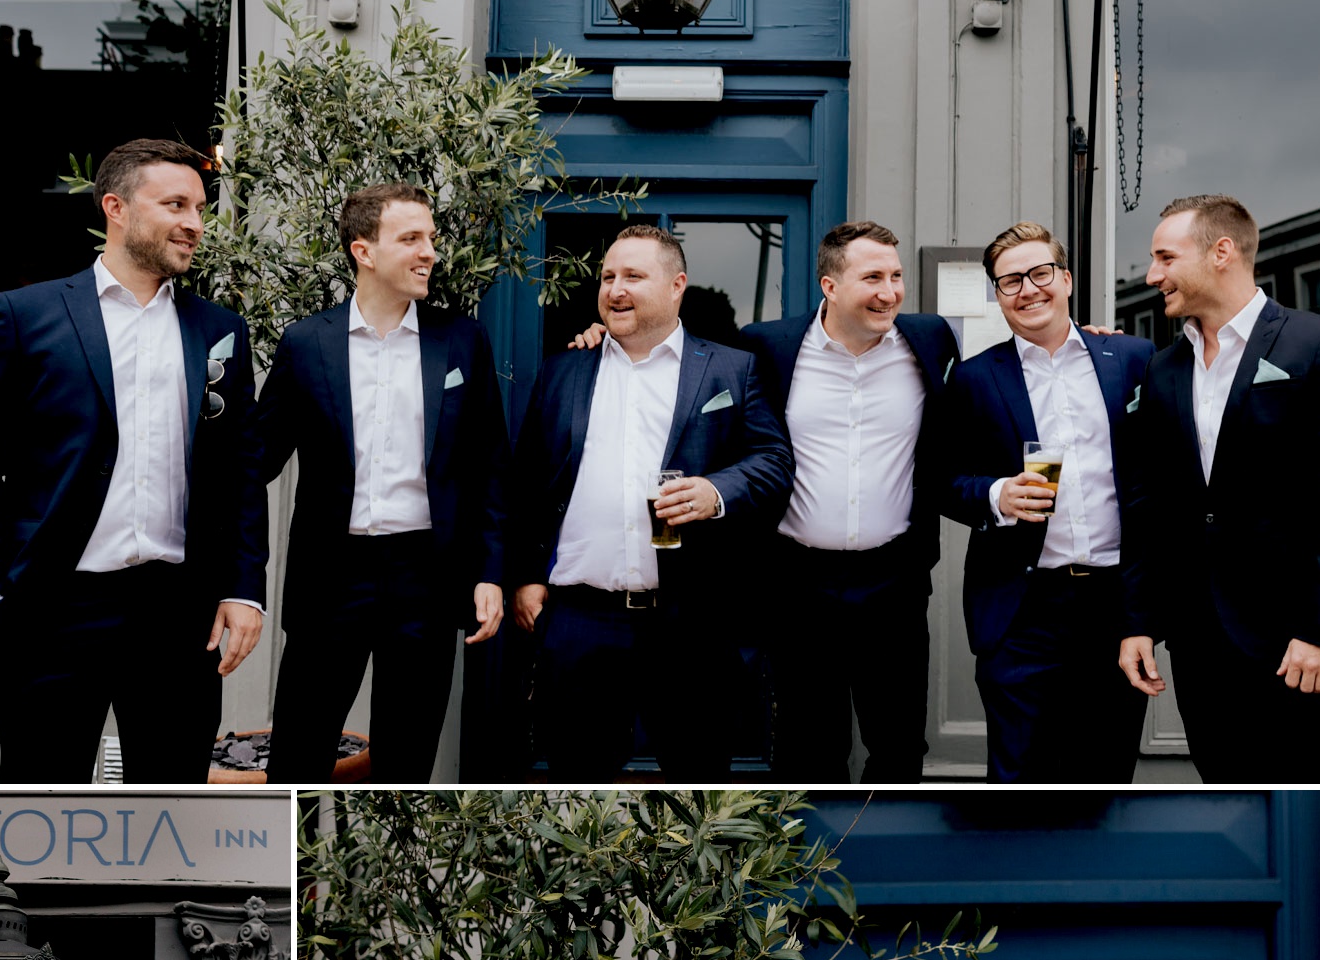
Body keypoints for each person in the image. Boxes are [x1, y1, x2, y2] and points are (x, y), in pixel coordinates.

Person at [0, 136, 268, 783]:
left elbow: (239, 469)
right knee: (42, 797)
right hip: (52, 607)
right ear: (116, 207)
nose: (195, 223)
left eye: (201, 207)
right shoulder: (25, 315)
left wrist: (243, 589)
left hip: (179, 613)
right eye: (175, 203)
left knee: (172, 802)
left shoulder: (219, 330)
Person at [509, 222, 793, 779]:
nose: (615, 289)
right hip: (581, 620)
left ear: (676, 285)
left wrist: (716, 491)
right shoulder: (564, 370)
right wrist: (525, 574)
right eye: (608, 276)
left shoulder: (731, 369)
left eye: (633, 276)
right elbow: (527, 484)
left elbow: (775, 462)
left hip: (693, 622)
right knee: (576, 787)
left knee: (698, 788)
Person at [1118, 193, 1320, 784]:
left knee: (1303, 806)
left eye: (1164, 257)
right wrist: (1139, 619)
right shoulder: (1164, 369)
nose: (1152, 275)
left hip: (1297, 644)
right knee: (1224, 793)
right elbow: (1148, 504)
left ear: (1222, 252)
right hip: (1198, 641)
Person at [256, 182, 508, 783]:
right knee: (298, 753)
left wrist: (490, 570)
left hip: (427, 575)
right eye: (411, 239)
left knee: (407, 758)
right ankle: (295, 874)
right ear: (363, 251)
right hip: (330, 575)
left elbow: (489, 468)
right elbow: (254, 461)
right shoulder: (306, 343)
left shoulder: (461, 342)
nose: (430, 252)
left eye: (431, 238)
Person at [740, 222, 959, 782]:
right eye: (872, 278)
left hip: (895, 579)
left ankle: (892, 861)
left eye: (896, 276)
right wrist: (604, 338)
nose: (889, 291)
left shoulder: (931, 339)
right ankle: (810, 866)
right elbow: (690, 372)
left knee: (900, 744)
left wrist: (1084, 340)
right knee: (807, 748)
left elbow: (1005, 368)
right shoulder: (768, 346)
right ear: (830, 286)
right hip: (796, 581)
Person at [944, 222, 1155, 783]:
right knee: (1019, 774)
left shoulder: (1134, 360)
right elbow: (938, 478)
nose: (1027, 289)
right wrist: (995, 493)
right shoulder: (972, 379)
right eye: (1009, 281)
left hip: (1115, 603)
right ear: (996, 295)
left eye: (1040, 274)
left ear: (1064, 280)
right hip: (1022, 607)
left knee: (1105, 769)